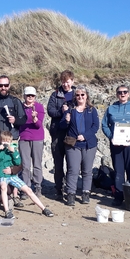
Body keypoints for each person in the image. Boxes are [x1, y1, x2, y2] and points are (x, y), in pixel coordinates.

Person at [0, 131, 54, 219]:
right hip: (2, 175)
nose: (6, 143)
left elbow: (18, 162)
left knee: (28, 190)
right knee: (3, 187)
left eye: (8, 141)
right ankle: (7, 211)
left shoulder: (12, 149)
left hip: (12, 176)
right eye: (4, 141)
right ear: (0, 141)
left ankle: (43, 208)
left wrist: (13, 152)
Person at [102, 85, 130, 206]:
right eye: (120, 92)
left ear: (129, 94)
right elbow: (104, 125)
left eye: (125, 92)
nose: (122, 94)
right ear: (116, 94)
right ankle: (119, 197)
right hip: (116, 145)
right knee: (118, 172)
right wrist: (111, 137)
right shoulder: (111, 108)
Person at [59, 85, 99, 206]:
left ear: (86, 96)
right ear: (75, 97)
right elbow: (62, 126)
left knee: (87, 170)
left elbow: (95, 126)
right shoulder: (70, 110)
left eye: (82, 94)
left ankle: (86, 193)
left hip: (89, 144)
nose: (80, 97)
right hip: (73, 144)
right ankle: (71, 193)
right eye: (77, 95)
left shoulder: (92, 110)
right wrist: (66, 120)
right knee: (73, 170)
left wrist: (85, 135)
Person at [47, 70, 76, 200]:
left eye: (68, 82)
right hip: (57, 133)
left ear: (72, 81)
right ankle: (58, 189)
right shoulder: (55, 94)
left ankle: (70, 190)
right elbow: (50, 111)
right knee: (58, 164)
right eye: (63, 82)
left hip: (71, 133)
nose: (65, 84)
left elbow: (81, 109)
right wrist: (61, 111)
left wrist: (70, 111)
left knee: (71, 164)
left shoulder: (77, 94)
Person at [19, 86, 45, 199]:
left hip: (37, 138)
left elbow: (39, 125)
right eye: (28, 95)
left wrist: (35, 119)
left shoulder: (39, 107)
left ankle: (38, 187)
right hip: (24, 137)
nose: (30, 97)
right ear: (24, 96)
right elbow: (18, 121)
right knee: (25, 165)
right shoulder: (19, 107)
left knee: (37, 164)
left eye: (32, 95)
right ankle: (26, 188)